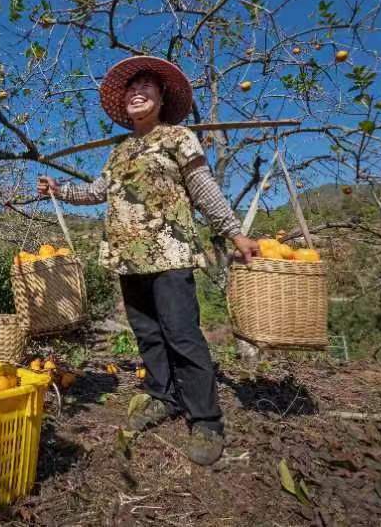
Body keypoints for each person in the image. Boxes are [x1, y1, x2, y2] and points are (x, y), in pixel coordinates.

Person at [37, 56, 259, 466]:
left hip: (170, 252)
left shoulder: (178, 138)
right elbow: (97, 192)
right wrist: (59, 188)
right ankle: (163, 396)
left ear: (161, 99)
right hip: (128, 257)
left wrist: (234, 232)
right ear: (125, 102)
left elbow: (203, 189)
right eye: (132, 88)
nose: (137, 92)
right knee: (149, 335)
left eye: (147, 88)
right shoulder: (120, 151)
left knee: (182, 334)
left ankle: (206, 419)